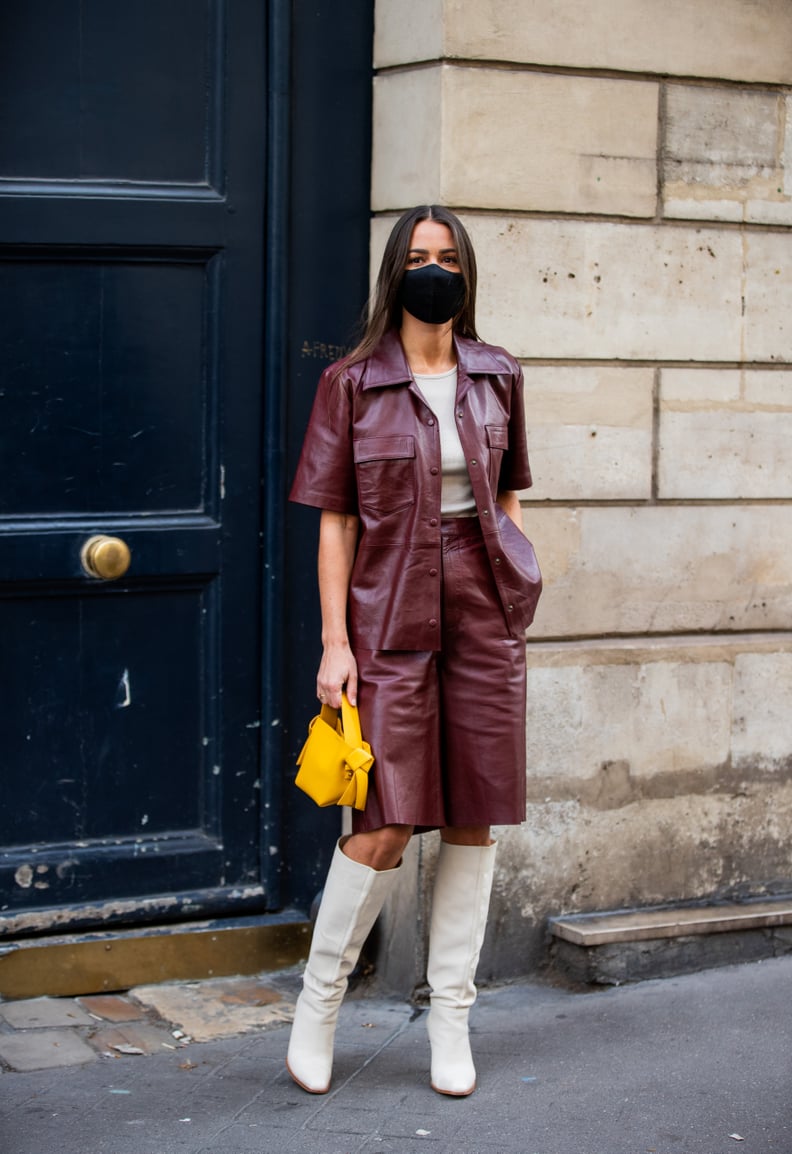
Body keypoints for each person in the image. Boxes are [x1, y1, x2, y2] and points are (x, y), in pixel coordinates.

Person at [286, 205, 540, 1098]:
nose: (435, 271)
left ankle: (451, 1020)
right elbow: (336, 520)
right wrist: (333, 642)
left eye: (450, 259)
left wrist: (518, 585)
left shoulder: (497, 374)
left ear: (466, 274)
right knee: (385, 820)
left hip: (482, 606)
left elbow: (509, 496)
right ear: (396, 271)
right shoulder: (353, 383)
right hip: (387, 606)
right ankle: (319, 1005)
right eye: (419, 257)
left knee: (472, 812)